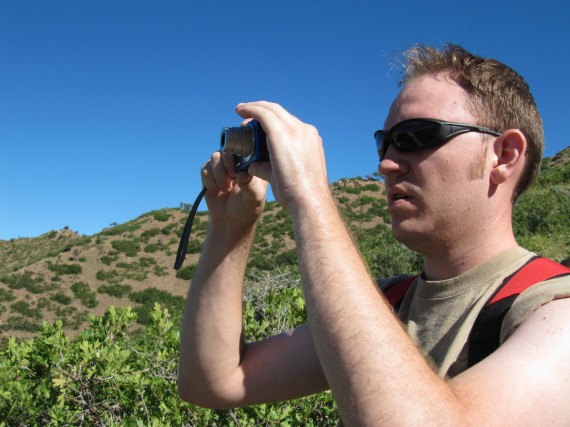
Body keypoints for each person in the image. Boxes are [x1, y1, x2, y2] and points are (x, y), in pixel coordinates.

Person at [177, 44, 570, 425]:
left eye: (416, 137)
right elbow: (214, 382)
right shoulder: (388, 305)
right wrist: (230, 229)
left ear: (503, 156)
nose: (386, 164)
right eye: (385, 142)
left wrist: (310, 196)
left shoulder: (554, 311)